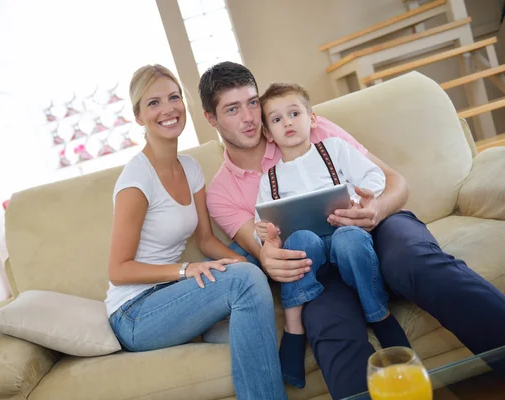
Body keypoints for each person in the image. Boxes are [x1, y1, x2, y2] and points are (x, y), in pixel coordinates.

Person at [199, 61, 505, 399]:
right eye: (232, 109)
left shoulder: (309, 126)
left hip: (381, 228)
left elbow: (394, 182)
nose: (249, 117)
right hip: (318, 264)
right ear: (211, 119)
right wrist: (270, 253)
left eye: (253, 103)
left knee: (415, 261)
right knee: (330, 328)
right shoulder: (221, 192)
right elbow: (264, 253)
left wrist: (375, 210)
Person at [104, 64, 287, 400]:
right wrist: (187, 270)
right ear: (138, 116)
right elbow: (118, 271)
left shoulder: (190, 167)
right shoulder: (136, 179)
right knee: (243, 279)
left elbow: (205, 240)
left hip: (173, 295)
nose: (168, 109)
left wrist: (257, 262)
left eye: (174, 98)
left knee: (248, 261)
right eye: (153, 102)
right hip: (135, 313)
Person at [253, 83, 410, 388]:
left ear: (312, 119)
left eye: (294, 113)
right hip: (312, 258)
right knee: (300, 241)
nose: (287, 122)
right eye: (276, 119)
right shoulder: (268, 179)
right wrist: (266, 234)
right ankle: (295, 329)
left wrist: (360, 198)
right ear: (268, 134)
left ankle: (378, 314)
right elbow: (264, 227)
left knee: (349, 238)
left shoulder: (334, 149)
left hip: (345, 236)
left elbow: (374, 177)